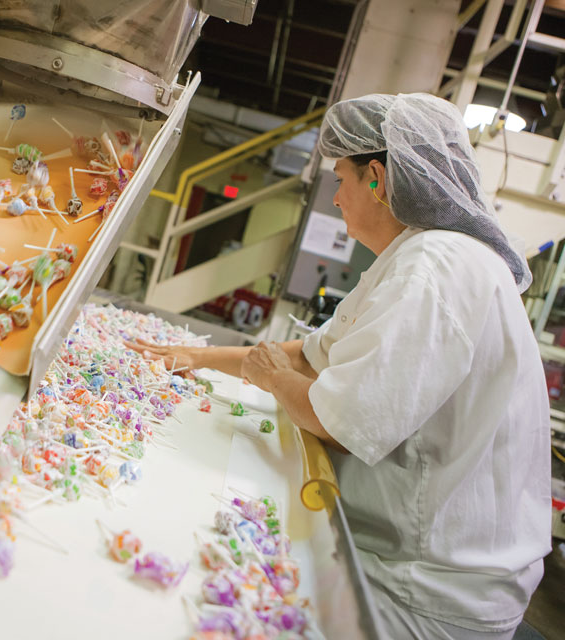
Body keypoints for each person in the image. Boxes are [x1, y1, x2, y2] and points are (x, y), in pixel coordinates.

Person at [126, 93, 551, 639]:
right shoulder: (417, 256)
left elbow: (339, 421)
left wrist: (269, 378)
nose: (336, 199)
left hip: (427, 591)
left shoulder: (435, 267)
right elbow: (310, 353)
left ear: (377, 178)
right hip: (419, 562)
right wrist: (190, 356)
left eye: (341, 180)